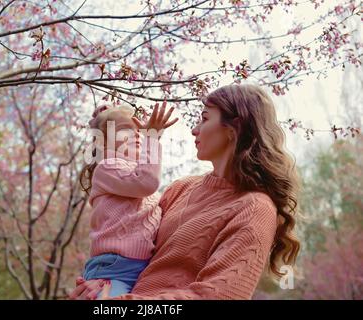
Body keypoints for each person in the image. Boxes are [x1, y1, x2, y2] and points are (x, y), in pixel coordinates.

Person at [71, 83, 301, 300]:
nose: (194, 130)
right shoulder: (180, 189)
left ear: (234, 128)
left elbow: (217, 296)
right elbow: (131, 244)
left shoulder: (254, 209)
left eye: (204, 119)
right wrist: (101, 284)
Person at [78, 102, 178, 299]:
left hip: (142, 268)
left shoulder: (138, 176)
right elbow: (147, 182)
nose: (137, 136)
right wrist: (152, 138)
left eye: (139, 131)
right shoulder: (107, 168)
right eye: (125, 130)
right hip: (112, 270)